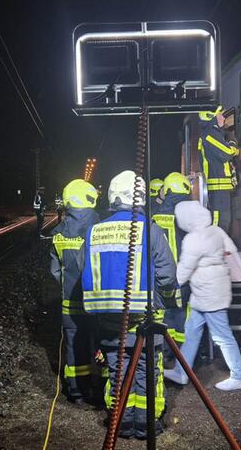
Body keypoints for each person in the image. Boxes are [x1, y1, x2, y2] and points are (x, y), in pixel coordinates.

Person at [81, 170, 178, 439]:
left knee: (117, 370)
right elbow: (168, 275)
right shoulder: (150, 229)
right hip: (146, 317)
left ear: (113, 197)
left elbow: (84, 271)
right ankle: (147, 425)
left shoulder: (95, 231)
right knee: (147, 371)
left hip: (109, 319)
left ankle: (122, 423)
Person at [164, 200, 241, 391]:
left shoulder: (193, 239)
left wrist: (168, 284)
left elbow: (185, 269)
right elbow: (231, 252)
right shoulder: (216, 230)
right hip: (212, 290)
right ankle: (181, 371)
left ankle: (239, 375)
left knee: (222, 336)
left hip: (208, 293)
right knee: (192, 332)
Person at [49, 179, 100, 405]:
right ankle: (103, 392)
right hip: (99, 302)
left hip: (71, 302)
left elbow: (55, 271)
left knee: (74, 345)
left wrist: (69, 285)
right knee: (102, 342)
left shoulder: (58, 233)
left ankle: (77, 392)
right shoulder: (101, 227)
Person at [152, 172, 192, 362]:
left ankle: (165, 353)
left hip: (162, 276)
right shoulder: (190, 215)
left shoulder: (154, 216)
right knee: (182, 316)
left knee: (164, 316)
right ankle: (184, 357)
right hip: (185, 278)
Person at [197, 106, 238, 234]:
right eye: (220, 114)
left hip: (221, 189)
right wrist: (233, 144)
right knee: (219, 222)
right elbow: (226, 152)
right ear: (212, 118)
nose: (223, 117)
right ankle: (215, 251)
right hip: (218, 189)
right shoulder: (210, 135)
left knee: (223, 222)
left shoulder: (213, 134)